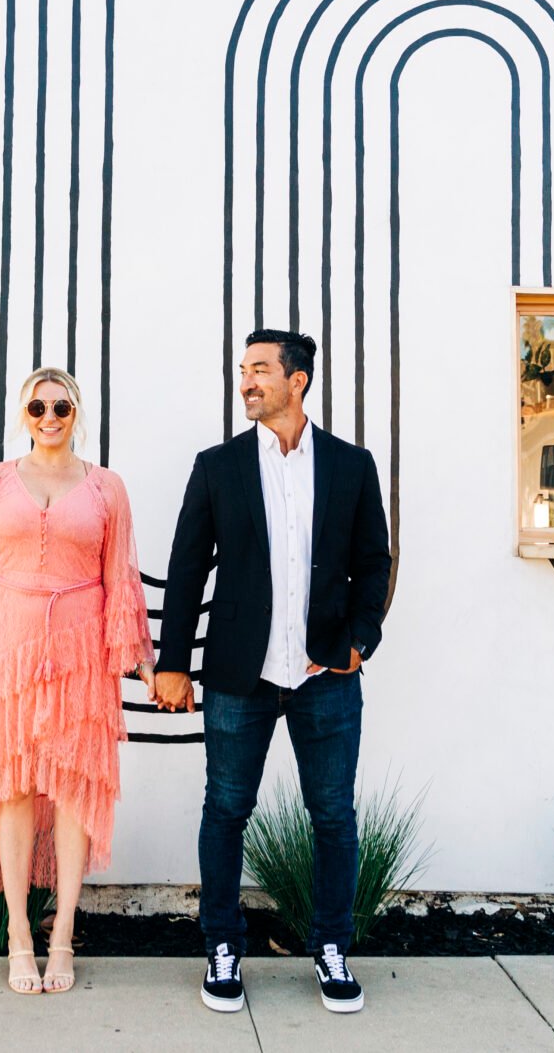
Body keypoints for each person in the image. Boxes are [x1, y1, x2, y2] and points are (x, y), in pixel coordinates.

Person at [152, 329, 393, 1015]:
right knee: (226, 810)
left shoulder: (351, 465)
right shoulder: (218, 466)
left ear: (299, 380)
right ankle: (223, 946)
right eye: (242, 369)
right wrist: (173, 663)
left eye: (261, 369)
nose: (247, 381)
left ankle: (332, 947)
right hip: (239, 673)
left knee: (334, 817)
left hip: (326, 675)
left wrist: (359, 642)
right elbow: (189, 569)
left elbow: (375, 561)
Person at [0, 367, 156, 995]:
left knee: (74, 793)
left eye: (62, 406)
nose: (50, 417)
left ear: (77, 412)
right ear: (24, 413)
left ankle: (63, 935)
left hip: (78, 655)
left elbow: (120, 577)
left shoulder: (107, 488)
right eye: (38, 406)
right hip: (7, 651)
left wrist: (141, 660)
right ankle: (20, 933)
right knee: (14, 787)